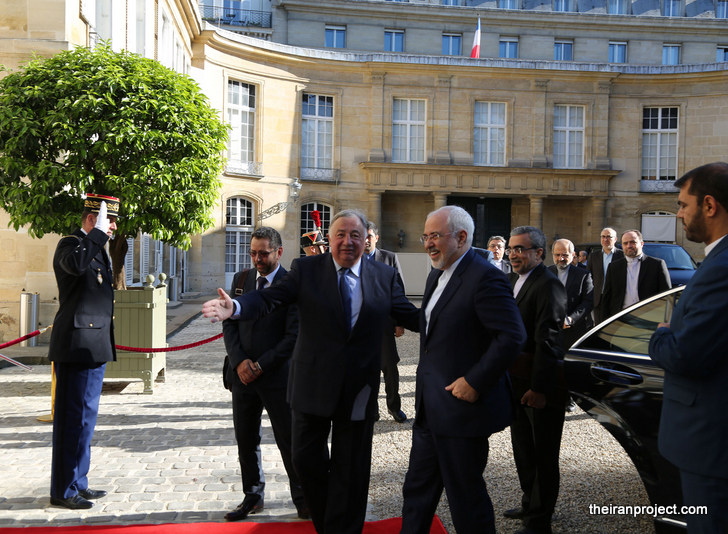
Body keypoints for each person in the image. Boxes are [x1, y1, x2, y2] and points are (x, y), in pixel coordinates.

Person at [202, 209, 419, 534]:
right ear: (329, 239)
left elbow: (409, 315)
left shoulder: (383, 276)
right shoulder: (305, 270)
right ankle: (326, 522)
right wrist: (236, 308)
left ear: (366, 239)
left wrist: (456, 323)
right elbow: (270, 298)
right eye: (340, 235)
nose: (348, 241)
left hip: (358, 390)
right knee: (305, 462)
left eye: (355, 235)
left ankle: (347, 529)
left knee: (353, 471)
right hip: (310, 387)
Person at [400, 206, 526, 534]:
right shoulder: (436, 273)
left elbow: (512, 336)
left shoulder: (486, 277)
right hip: (429, 409)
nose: (428, 243)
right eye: (425, 236)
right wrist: (382, 307)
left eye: (435, 236)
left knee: (465, 500)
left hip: (462, 413)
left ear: (461, 237)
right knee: (417, 492)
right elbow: (431, 324)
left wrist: (475, 381)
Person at [649, 162, 728, 534]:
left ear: (709, 205)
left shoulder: (722, 266)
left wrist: (661, 334)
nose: (679, 214)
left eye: (683, 205)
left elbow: (686, 355)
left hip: (711, 447)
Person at [222, 226, 307, 521]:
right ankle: (253, 495)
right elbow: (230, 323)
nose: (257, 259)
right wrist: (240, 361)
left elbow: (293, 335)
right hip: (242, 376)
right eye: (253, 253)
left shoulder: (291, 283)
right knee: (246, 438)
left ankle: (303, 497)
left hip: (277, 376)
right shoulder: (241, 279)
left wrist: (261, 365)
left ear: (279, 252)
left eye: (263, 253)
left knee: (289, 439)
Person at [48, 194, 119, 510]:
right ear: (92, 220)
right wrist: (97, 235)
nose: (113, 227)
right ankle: (62, 489)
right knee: (71, 420)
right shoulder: (70, 245)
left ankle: (79, 481)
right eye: (109, 221)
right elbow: (75, 266)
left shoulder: (97, 249)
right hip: (76, 346)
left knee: (86, 420)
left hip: (94, 345)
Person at [505, 226, 567, 534]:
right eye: (511, 249)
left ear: (539, 253)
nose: (513, 254)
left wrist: (539, 388)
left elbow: (549, 341)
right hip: (516, 382)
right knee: (523, 449)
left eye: (520, 249)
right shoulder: (514, 281)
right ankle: (531, 504)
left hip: (540, 386)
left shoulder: (549, 285)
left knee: (542, 454)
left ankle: (540, 521)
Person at [365, 221, 407, 423]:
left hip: (384, 324)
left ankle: (394, 407)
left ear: (376, 238)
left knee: (390, 368)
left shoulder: (389, 258)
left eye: (369, 236)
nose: (365, 240)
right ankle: (371, 410)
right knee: (366, 370)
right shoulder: (352, 258)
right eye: (362, 236)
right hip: (360, 327)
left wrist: (400, 322)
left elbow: (398, 291)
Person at [601, 229, 671, 318]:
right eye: (625, 243)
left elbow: (667, 297)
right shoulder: (613, 267)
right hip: (619, 320)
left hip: (649, 318)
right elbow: (607, 298)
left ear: (641, 244)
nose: (629, 246)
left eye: (632, 242)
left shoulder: (657, 265)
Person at [549, 239, 594, 351]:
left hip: (574, 331)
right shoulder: (545, 273)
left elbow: (588, 302)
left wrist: (571, 319)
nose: (561, 258)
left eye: (565, 255)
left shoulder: (583, 275)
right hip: (549, 330)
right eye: (557, 255)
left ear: (573, 255)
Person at [587, 227, 623, 323]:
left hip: (616, 298)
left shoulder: (622, 256)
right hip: (599, 298)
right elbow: (589, 277)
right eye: (603, 237)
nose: (605, 239)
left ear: (615, 239)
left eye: (608, 237)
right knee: (599, 326)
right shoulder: (593, 256)